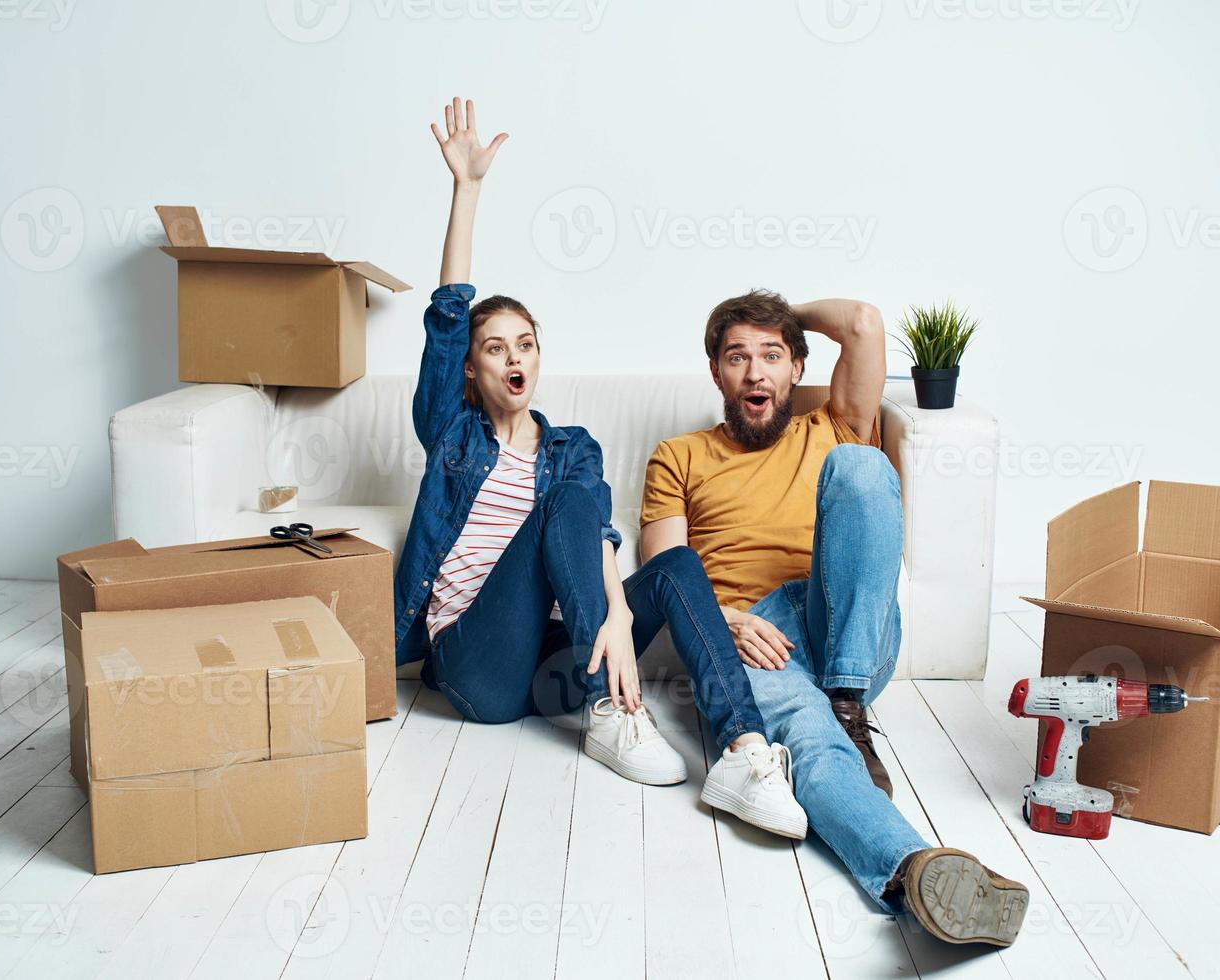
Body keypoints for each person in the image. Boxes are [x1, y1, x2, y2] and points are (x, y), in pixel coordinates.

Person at [392, 98, 806, 838]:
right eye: (495, 347)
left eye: (526, 343)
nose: (514, 357)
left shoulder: (569, 446)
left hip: (558, 669)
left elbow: (601, 537)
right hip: (476, 670)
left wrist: (616, 610)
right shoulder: (451, 433)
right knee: (561, 507)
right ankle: (617, 712)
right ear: (470, 371)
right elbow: (447, 314)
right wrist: (468, 190)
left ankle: (742, 750)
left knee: (674, 564)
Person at [639, 289, 1030, 946]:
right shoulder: (679, 455)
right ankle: (914, 870)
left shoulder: (830, 427)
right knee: (812, 748)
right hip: (753, 637)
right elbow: (663, 572)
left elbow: (862, 323)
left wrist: (781, 312)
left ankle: (846, 698)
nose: (755, 372)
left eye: (771, 355)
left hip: (843, 620)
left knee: (858, 465)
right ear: (716, 373)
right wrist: (726, 618)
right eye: (737, 357)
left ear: (797, 366)